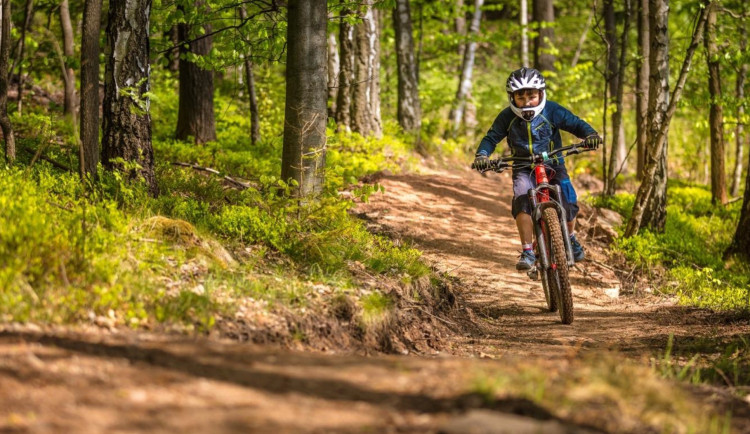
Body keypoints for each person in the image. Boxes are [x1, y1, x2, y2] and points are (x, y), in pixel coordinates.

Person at [473, 67, 602, 271]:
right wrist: (482, 155)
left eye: (531, 96)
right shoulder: (507, 116)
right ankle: (527, 251)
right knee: (522, 200)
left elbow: (575, 124)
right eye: (520, 97)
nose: (526, 102)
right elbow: (491, 137)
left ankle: (571, 238)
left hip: (554, 163)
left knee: (568, 199)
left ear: (541, 94)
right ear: (512, 97)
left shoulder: (552, 110)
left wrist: (591, 135)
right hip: (523, 167)